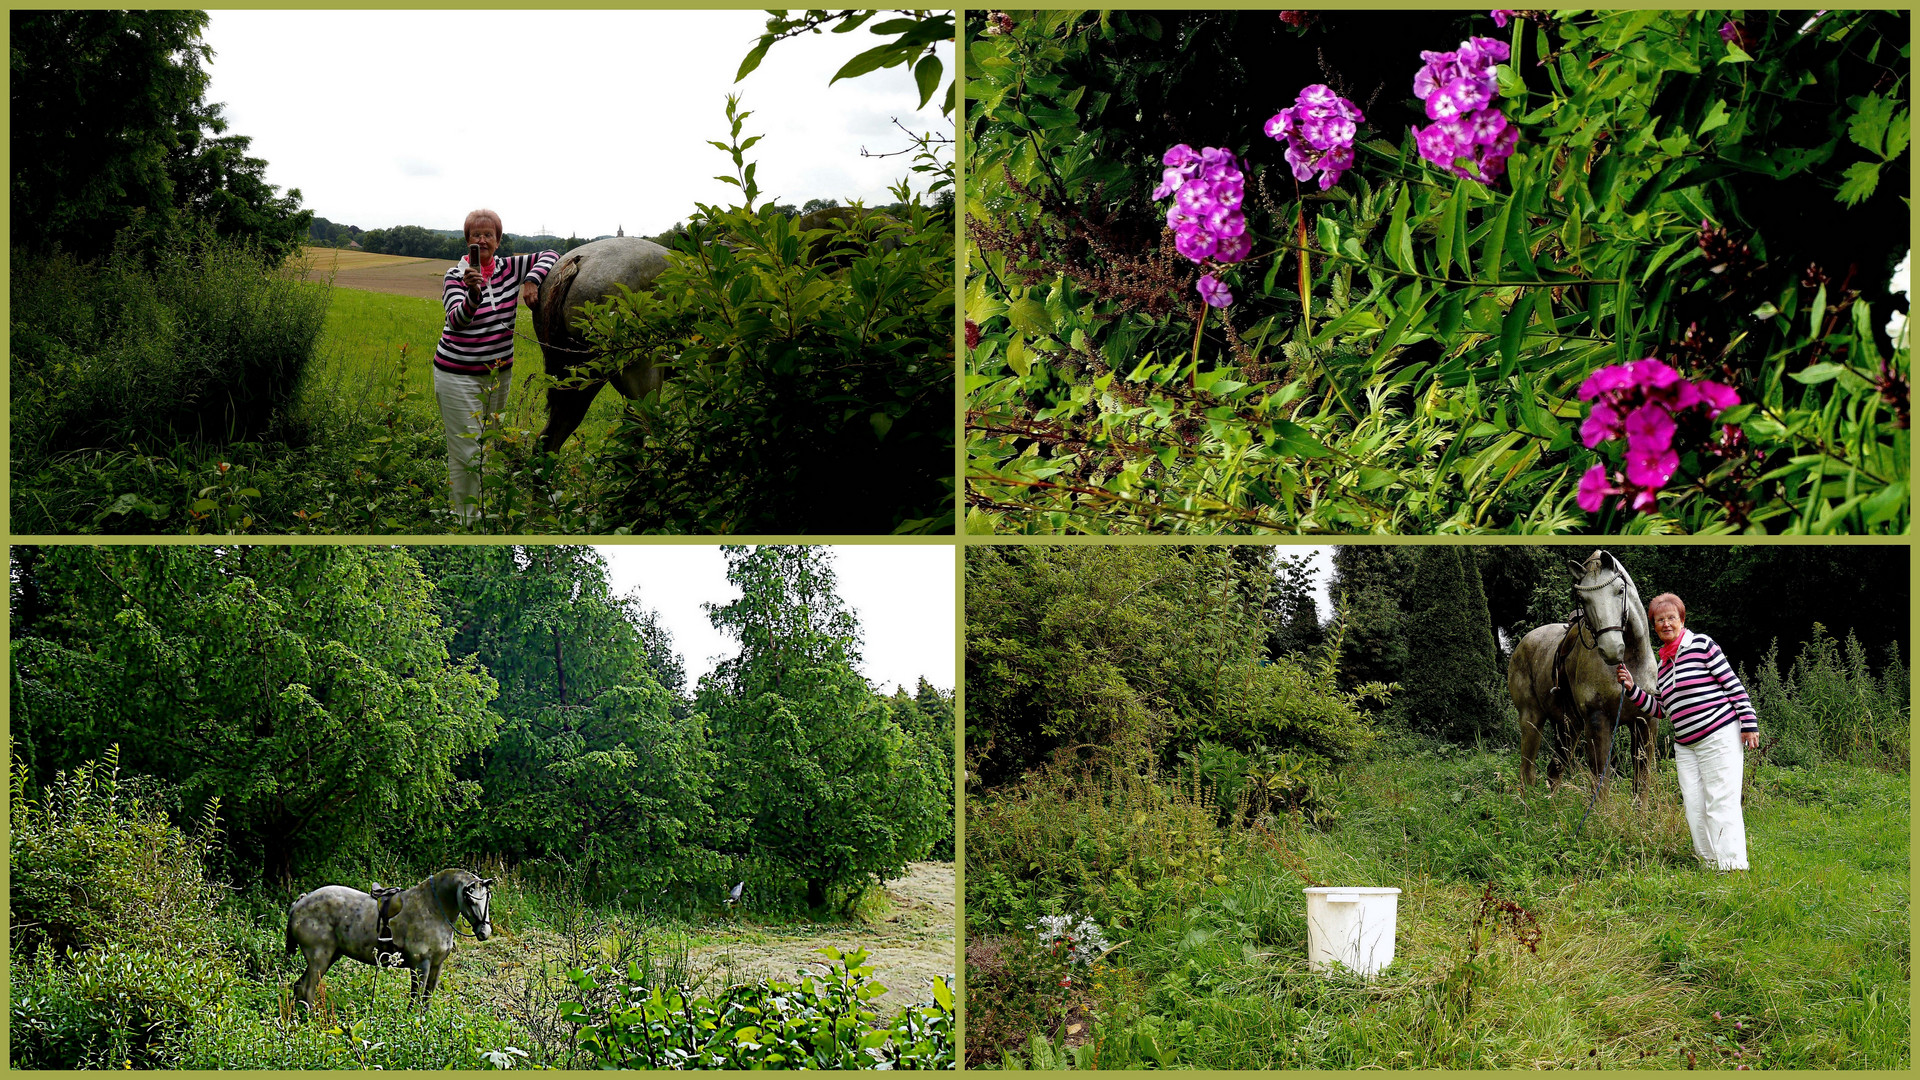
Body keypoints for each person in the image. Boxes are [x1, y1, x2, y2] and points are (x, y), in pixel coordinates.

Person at [1614, 593, 1759, 871]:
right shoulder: (1664, 667)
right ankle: (1709, 864)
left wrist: (1748, 723)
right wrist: (1633, 689)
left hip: (1719, 735)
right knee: (1694, 806)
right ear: (1653, 626)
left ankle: (1732, 867)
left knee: (1720, 801)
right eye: (1659, 620)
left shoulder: (1702, 644)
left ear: (1682, 619)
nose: (1666, 623)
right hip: (1686, 746)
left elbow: (1732, 684)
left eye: (1671, 618)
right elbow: (1661, 710)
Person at [433, 208, 558, 525]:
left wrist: (530, 281)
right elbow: (456, 321)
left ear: (499, 240)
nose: (483, 239)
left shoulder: (510, 268)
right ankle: (465, 520)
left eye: (489, 234)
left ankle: (475, 511)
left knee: (486, 445)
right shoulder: (455, 275)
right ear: (468, 240)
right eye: (476, 234)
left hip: (497, 377)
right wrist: (473, 294)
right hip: (456, 375)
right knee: (468, 450)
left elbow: (551, 254)